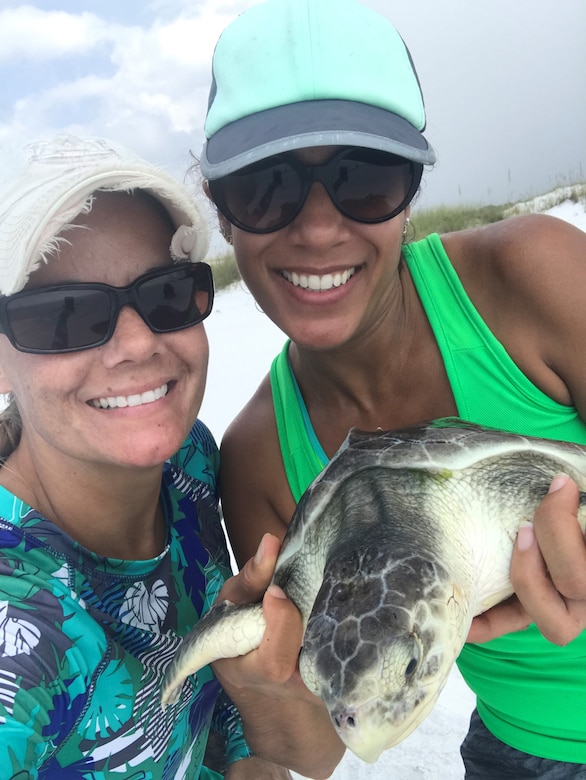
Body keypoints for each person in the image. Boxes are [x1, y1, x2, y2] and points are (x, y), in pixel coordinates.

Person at [200, 0, 586, 776]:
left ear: (409, 191)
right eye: (265, 187)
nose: (316, 229)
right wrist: (264, 693)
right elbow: (323, 744)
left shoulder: (532, 278)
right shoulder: (259, 461)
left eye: (365, 179)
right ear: (222, 211)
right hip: (523, 754)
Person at [0, 133, 342, 779]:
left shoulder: (190, 465)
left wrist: (257, 689)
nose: (136, 342)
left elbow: (309, 756)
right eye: (65, 315)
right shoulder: (18, 624)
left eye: (165, 296)